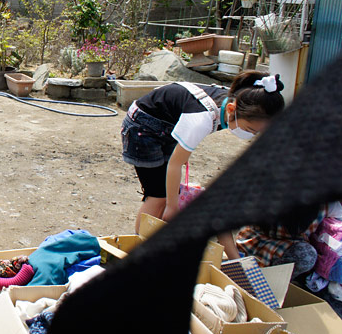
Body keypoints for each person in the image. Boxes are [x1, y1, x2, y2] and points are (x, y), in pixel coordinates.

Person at [120, 70, 286, 234]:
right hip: (142, 125)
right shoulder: (201, 119)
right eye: (249, 129)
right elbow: (175, 164)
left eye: (257, 132)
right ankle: (137, 245)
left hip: (168, 123)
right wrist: (172, 207)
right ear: (231, 108)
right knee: (158, 195)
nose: (250, 134)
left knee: (168, 190)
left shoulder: (240, 101)